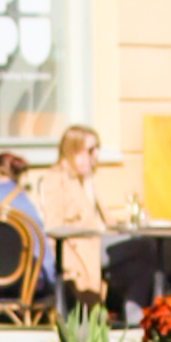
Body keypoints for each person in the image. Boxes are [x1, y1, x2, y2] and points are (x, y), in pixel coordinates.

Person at [33, 125, 108, 307]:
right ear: (74, 151)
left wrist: (89, 184)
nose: (95, 155)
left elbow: (103, 221)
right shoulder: (56, 179)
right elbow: (53, 225)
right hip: (79, 250)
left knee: (145, 254)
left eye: (97, 149)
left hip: (97, 242)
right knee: (143, 253)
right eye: (90, 150)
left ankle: (133, 313)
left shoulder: (83, 178)